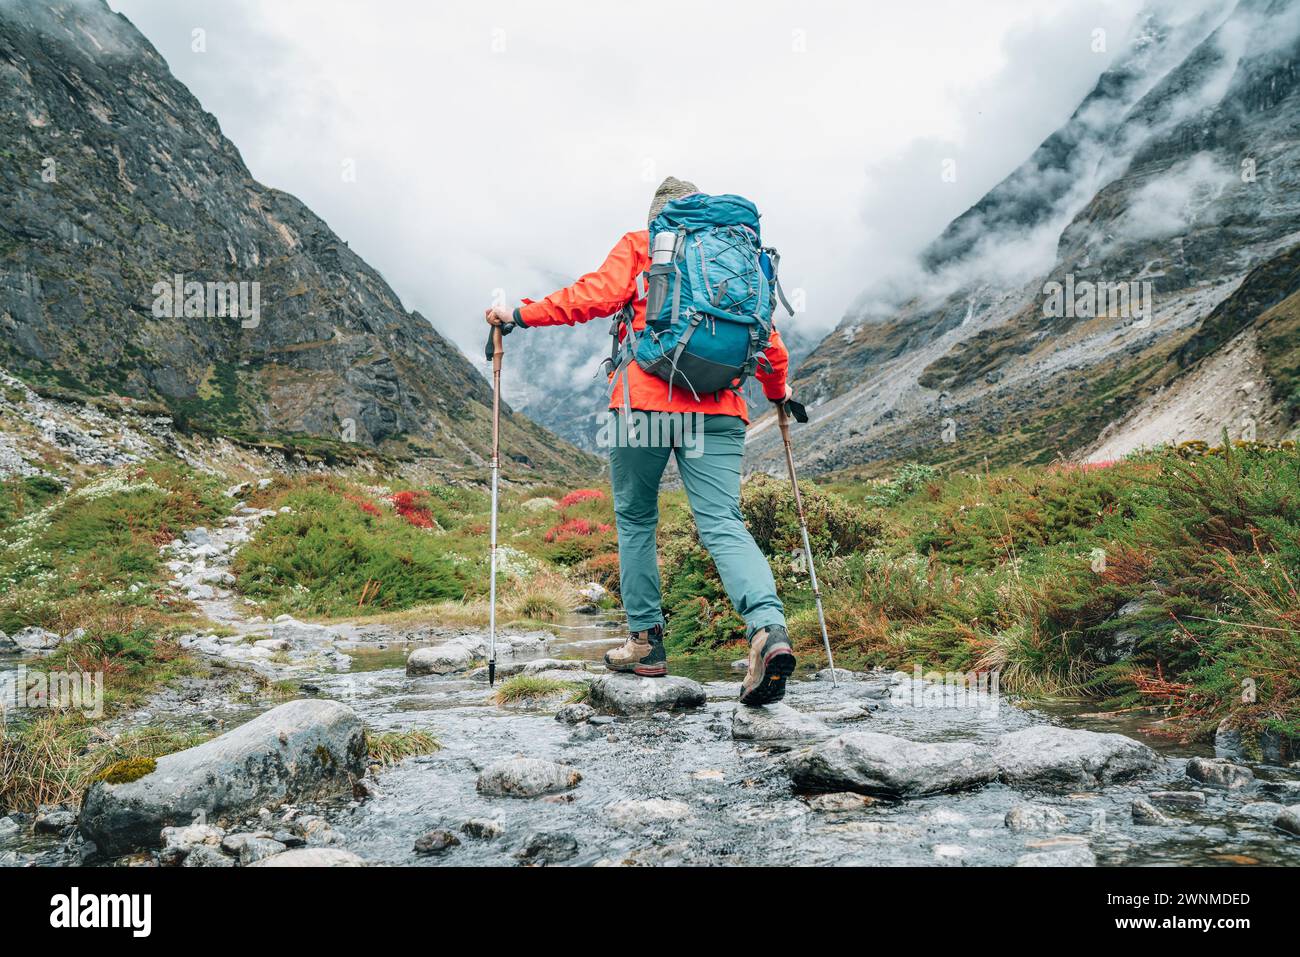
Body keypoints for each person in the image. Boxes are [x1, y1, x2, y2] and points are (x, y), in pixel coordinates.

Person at [485, 177, 796, 706]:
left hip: (642, 405)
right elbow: (767, 341)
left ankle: (646, 643)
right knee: (723, 522)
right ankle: (768, 630)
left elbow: (593, 297)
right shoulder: (739, 257)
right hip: (719, 409)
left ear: (659, 214)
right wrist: (778, 393)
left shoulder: (644, 243)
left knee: (636, 518)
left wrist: (518, 315)